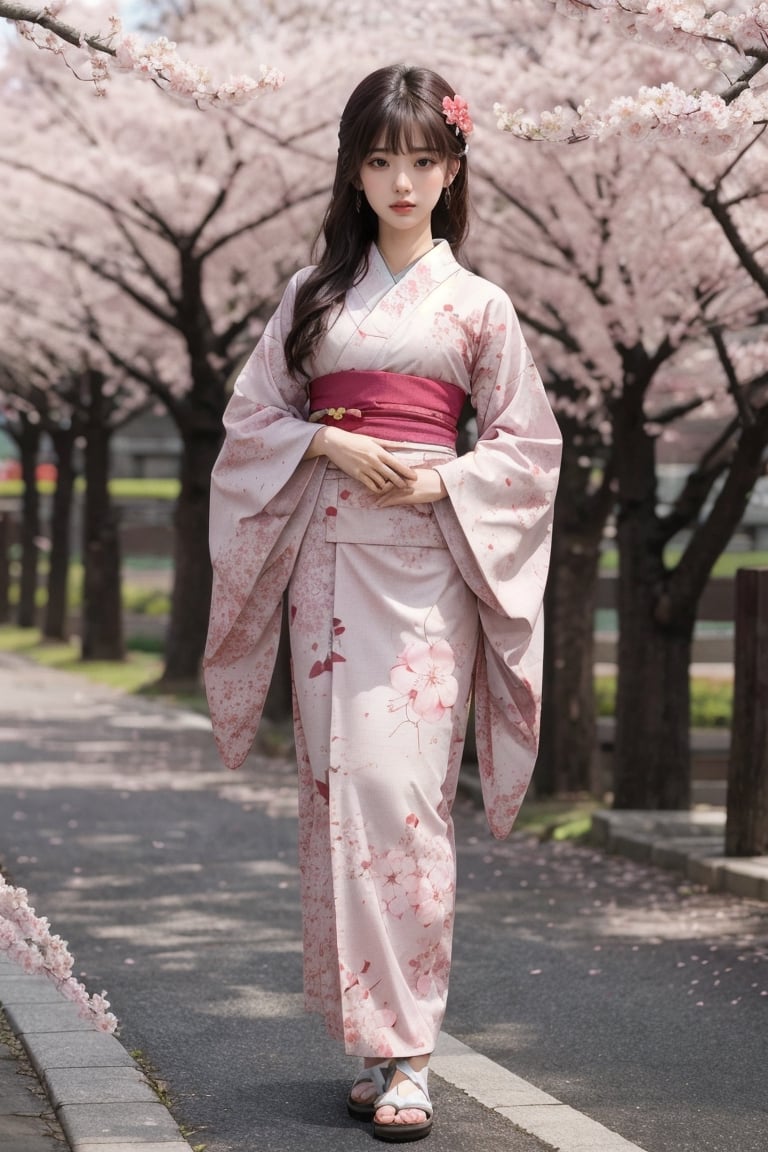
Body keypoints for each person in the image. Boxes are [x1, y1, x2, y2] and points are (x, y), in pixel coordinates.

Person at [203, 63, 562, 1143]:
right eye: (379, 159)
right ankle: (375, 1043)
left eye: (422, 159)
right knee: (341, 792)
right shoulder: (312, 298)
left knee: (406, 797)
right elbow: (249, 422)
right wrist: (327, 441)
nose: (401, 180)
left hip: (428, 572)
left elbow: (527, 448)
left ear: (452, 169)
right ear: (353, 172)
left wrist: (445, 476)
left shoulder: (480, 308)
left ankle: (411, 1052)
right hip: (328, 563)